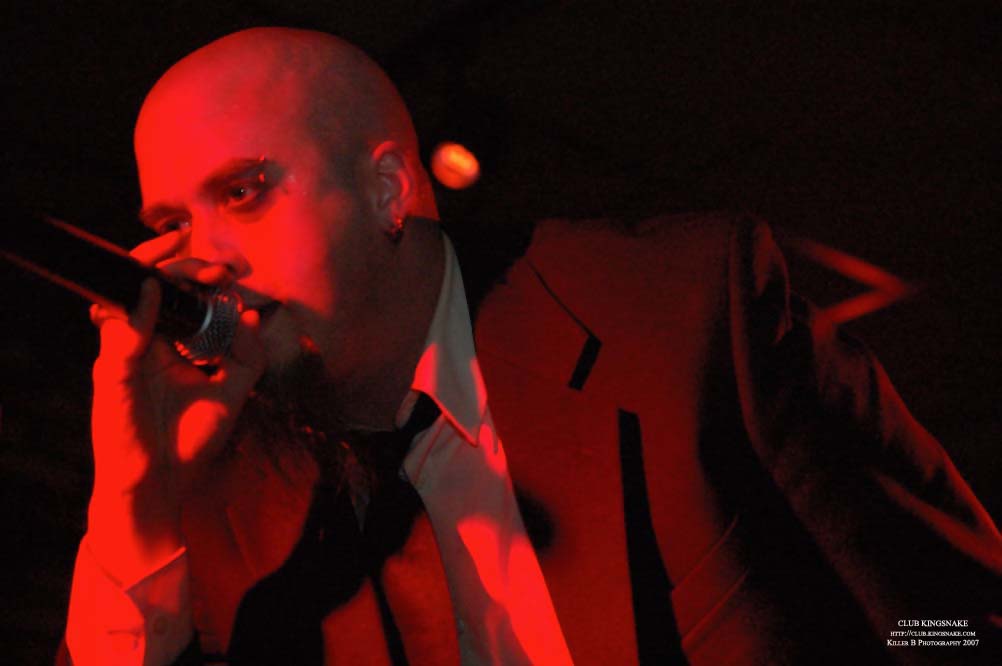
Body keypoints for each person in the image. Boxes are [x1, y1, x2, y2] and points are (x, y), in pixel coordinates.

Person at [61, 27, 1002, 666]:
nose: (203, 260)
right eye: (170, 225)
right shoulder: (217, 491)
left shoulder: (679, 314)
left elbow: (958, 621)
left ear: (388, 190)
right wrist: (136, 506)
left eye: (244, 192)